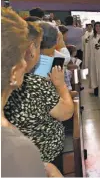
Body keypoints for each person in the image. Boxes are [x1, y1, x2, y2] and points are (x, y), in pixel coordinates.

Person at [5, 22, 74, 173]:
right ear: (30, 50)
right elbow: (66, 112)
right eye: (36, 45)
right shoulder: (35, 84)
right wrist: (60, 85)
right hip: (43, 154)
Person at [88, 22, 100, 95]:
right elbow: (89, 48)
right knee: (95, 73)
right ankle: (96, 89)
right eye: (96, 26)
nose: (98, 28)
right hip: (94, 58)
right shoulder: (91, 37)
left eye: (99, 26)